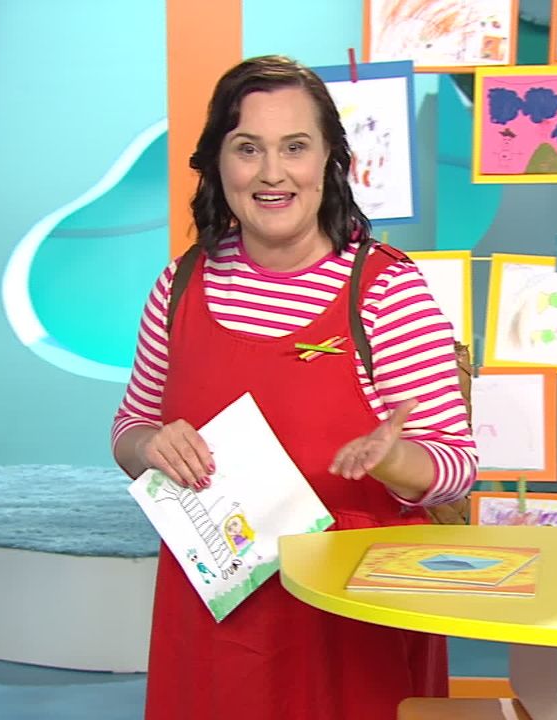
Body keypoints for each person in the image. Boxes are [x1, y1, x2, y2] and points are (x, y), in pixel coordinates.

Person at [110, 55, 477, 720]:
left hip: (352, 614)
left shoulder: (386, 290)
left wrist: (394, 460)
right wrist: (149, 446)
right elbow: (128, 429)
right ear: (217, 162)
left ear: (330, 159)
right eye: (247, 148)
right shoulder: (178, 286)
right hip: (215, 614)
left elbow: (455, 466)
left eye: (295, 147)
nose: (272, 172)